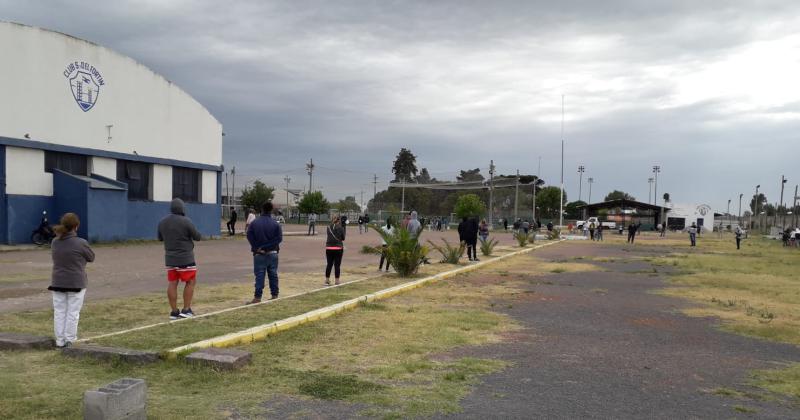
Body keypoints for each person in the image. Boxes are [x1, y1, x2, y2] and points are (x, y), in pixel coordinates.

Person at [49, 213, 95, 348]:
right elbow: (91, 257)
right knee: (73, 313)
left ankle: (59, 340)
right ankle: (70, 340)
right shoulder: (81, 243)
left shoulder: (55, 242)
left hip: (57, 281)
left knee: (59, 312)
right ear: (76, 226)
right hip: (76, 282)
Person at [158, 198, 202, 319]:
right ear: (182, 208)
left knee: (173, 282)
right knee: (191, 281)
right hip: (185, 258)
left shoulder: (162, 222)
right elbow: (197, 236)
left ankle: (174, 311)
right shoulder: (186, 221)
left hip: (170, 259)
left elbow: (160, 238)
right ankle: (186, 309)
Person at [247, 202, 283, 303]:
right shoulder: (275, 224)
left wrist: (257, 247)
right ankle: (274, 295)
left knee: (259, 275)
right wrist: (268, 246)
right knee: (273, 274)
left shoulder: (254, 223)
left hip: (259, 254)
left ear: (262, 209)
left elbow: (249, 235)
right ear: (271, 210)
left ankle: (257, 297)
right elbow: (279, 239)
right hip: (273, 252)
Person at [325, 216, 346, 285]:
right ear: (338, 220)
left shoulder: (328, 227)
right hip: (338, 248)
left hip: (328, 248)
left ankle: (327, 280)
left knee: (329, 264)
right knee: (337, 265)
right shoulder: (341, 228)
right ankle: (337, 280)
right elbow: (343, 238)